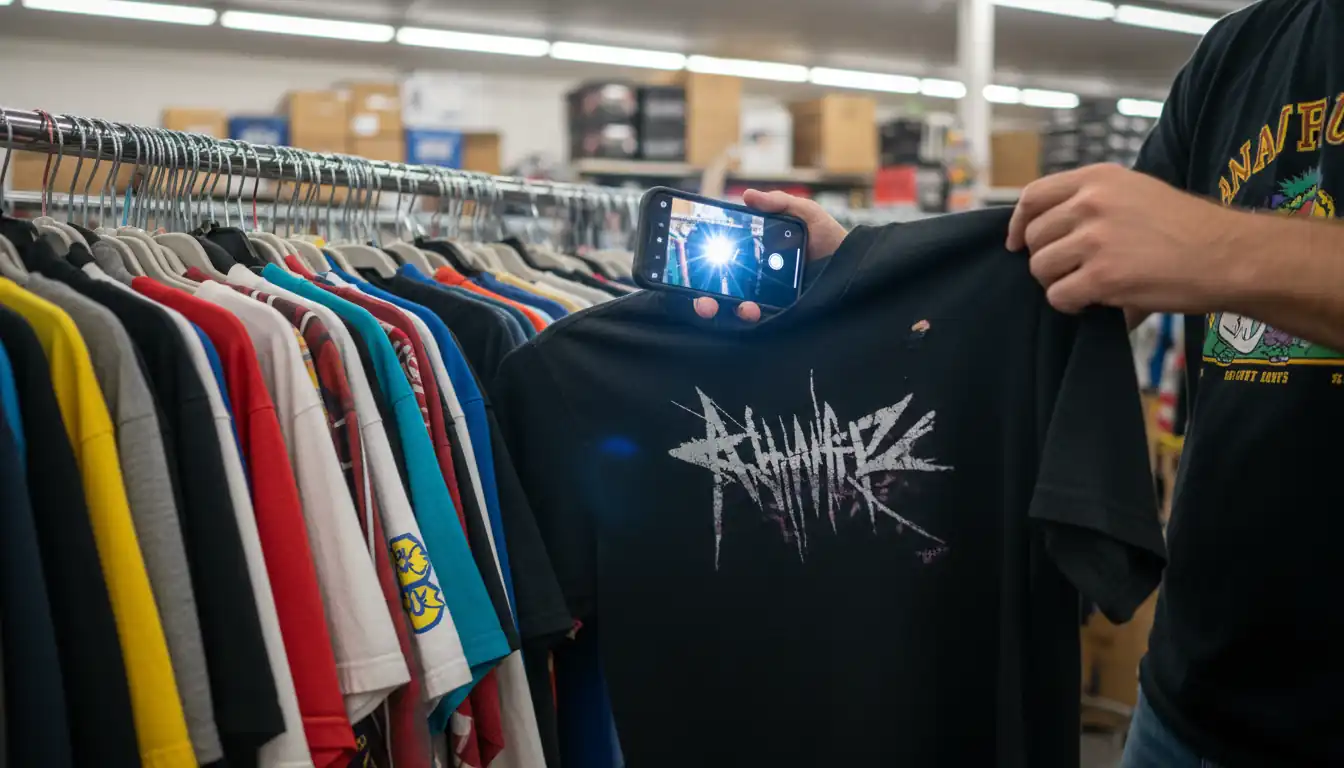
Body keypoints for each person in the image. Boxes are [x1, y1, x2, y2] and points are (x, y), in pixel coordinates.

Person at [700, 3, 1343, 764]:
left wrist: (1219, 249)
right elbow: (1083, 282)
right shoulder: (1247, 46)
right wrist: (870, 279)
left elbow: (1186, 249)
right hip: (1195, 700)